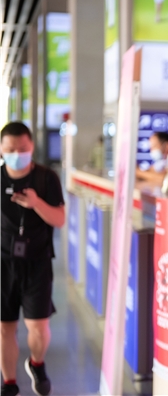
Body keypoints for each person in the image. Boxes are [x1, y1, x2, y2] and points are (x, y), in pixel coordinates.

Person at [1, 122, 65, 396]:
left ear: (32, 147)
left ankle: (37, 364)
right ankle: (9, 384)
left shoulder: (47, 178)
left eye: (22, 149)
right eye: (11, 149)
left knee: (38, 327)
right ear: (1, 150)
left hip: (37, 261)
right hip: (3, 263)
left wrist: (36, 203)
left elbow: (59, 220)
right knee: (5, 328)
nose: (17, 154)